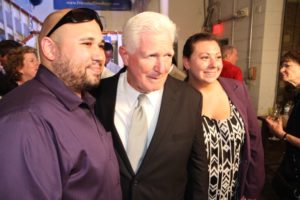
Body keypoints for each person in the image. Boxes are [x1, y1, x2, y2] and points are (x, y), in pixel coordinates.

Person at [0, 8, 121, 199]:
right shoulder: (25, 120)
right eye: (87, 43)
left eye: (99, 45)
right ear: (50, 49)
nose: (99, 56)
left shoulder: (82, 101)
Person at [92, 11, 208, 200]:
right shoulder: (96, 95)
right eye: (151, 56)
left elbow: (198, 167)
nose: (162, 68)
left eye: (168, 55)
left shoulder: (189, 99)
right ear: (125, 55)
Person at [182, 32, 264, 199]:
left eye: (218, 57)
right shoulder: (177, 98)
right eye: (205, 57)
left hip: (234, 192)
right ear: (187, 62)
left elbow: (254, 141)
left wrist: (250, 192)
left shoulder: (237, 89)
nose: (214, 64)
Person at [266, 50, 300, 199]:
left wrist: (282, 134)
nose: (281, 69)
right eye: (281, 65)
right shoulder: (296, 94)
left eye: (287, 65)